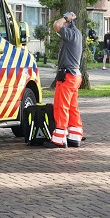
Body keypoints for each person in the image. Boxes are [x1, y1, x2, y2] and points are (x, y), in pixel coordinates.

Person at [43, 11, 83, 148]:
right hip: (76, 76)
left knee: (61, 106)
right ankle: (74, 137)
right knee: (73, 107)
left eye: (65, 21)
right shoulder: (77, 34)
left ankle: (59, 139)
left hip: (67, 76)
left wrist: (66, 17)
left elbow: (56, 25)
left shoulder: (70, 34)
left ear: (68, 23)